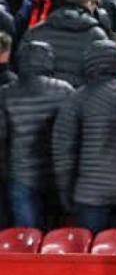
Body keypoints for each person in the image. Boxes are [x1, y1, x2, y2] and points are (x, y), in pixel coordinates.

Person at [53, 41, 116, 233]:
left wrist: (66, 193)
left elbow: (63, 152)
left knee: (93, 255)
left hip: (90, 194)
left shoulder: (77, 100)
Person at [0, 42, 76, 229]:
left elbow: (2, 139)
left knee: (25, 242)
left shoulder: (5, 93)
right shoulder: (64, 90)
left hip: (20, 176)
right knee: (54, 239)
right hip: (55, 176)